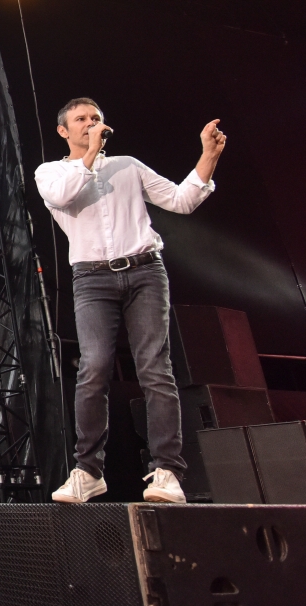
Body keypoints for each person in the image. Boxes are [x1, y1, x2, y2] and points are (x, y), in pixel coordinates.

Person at [35, 98, 226, 504]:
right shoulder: (50, 172)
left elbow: (181, 200)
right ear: (63, 132)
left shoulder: (128, 165)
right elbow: (65, 196)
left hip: (145, 271)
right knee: (95, 366)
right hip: (91, 278)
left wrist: (207, 157)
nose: (90, 124)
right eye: (81, 120)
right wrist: (88, 155)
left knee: (155, 368)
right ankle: (87, 470)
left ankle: (167, 472)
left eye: (96, 118)